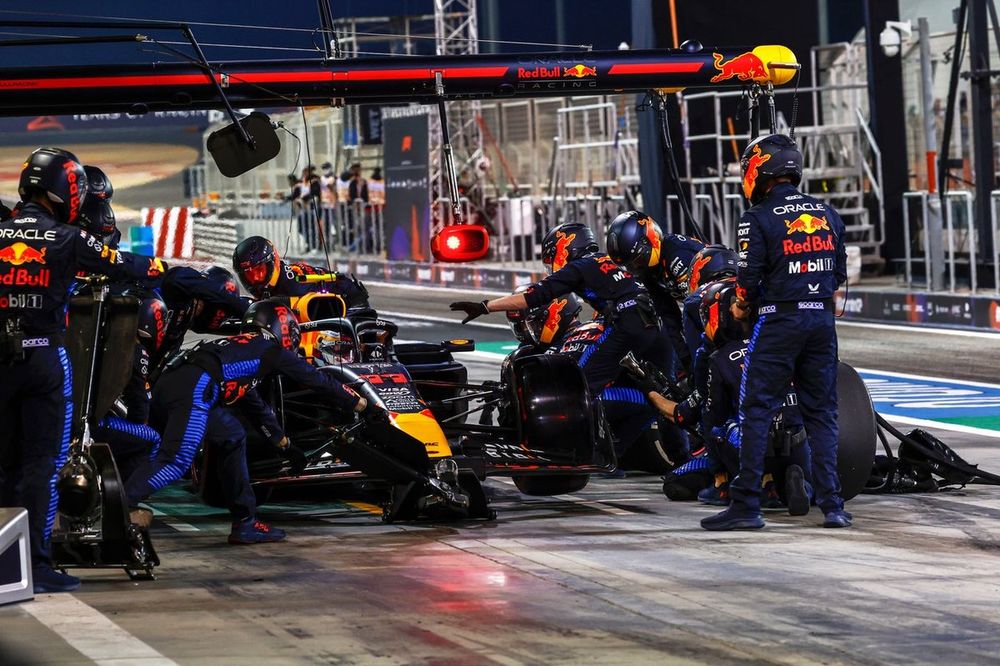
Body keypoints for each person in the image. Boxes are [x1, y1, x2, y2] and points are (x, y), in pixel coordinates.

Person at [0, 147, 165, 592]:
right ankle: (33, 565)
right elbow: (127, 265)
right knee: (43, 463)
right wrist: (167, 269)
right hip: (43, 360)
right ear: (67, 190)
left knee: (3, 465)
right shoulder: (67, 238)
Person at [124, 299, 374, 543]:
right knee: (175, 461)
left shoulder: (241, 348)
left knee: (231, 435)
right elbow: (315, 379)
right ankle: (121, 504)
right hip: (196, 387)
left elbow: (257, 409)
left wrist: (285, 446)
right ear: (284, 329)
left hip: (172, 382)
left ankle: (245, 522)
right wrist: (358, 402)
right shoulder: (271, 350)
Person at [702, 133, 850, 531]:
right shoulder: (826, 213)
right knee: (822, 413)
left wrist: (740, 303)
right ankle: (833, 506)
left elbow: (748, 277)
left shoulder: (757, 217)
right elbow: (838, 274)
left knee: (755, 410)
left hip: (779, 321)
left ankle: (747, 504)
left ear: (758, 170)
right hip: (821, 321)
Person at [648, 280, 812, 513]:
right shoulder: (781, 345)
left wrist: (652, 395)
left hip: (754, 444)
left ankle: (724, 485)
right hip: (798, 438)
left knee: (713, 434)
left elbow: (708, 414)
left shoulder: (717, 359)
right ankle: (799, 483)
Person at [450, 222, 661, 395]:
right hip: (654, 318)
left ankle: (593, 442)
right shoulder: (605, 260)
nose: (551, 267)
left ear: (565, 246)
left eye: (551, 259)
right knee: (665, 388)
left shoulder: (578, 268)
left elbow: (532, 297)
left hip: (630, 323)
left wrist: (485, 306)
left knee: (581, 387)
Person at [605, 211, 704, 375]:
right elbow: (668, 315)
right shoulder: (649, 270)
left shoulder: (679, 256)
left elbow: (696, 311)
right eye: (631, 267)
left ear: (651, 240)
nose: (637, 269)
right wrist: (686, 360)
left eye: (638, 261)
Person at [232, 235, 369, 308]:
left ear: (273, 262)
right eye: (248, 275)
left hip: (351, 299)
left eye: (259, 271)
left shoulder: (294, 283)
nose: (255, 278)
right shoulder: (268, 291)